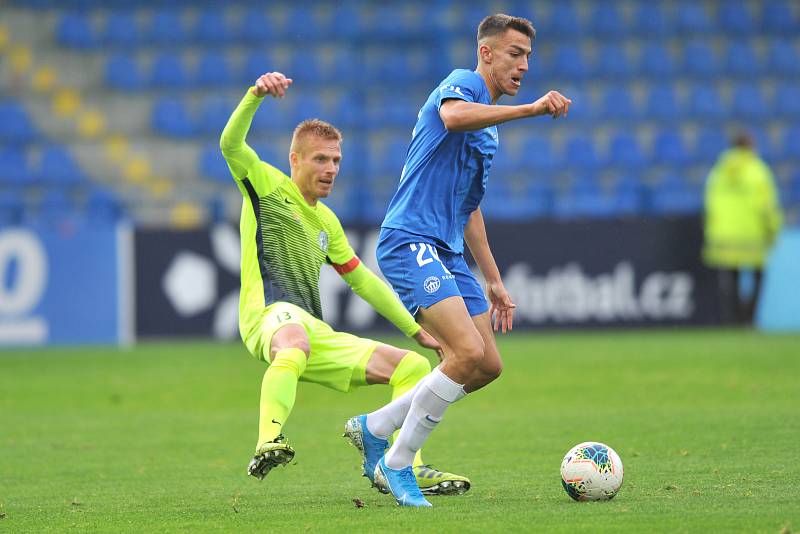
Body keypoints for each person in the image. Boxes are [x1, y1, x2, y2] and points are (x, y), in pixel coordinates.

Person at [344, 13, 572, 507]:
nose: (524, 66)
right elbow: (452, 116)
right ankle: (398, 464)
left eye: (529, 57)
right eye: (515, 54)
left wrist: (493, 280)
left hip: (446, 249)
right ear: (486, 53)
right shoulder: (462, 85)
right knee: (464, 354)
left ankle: (376, 427)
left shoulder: (488, 133)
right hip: (410, 239)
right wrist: (531, 109)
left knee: (486, 365)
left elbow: (469, 210)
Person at [219, 71, 470, 494]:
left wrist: (417, 330)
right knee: (294, 340)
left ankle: (403, 465)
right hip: (269, 316)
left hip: (312, 332)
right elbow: (230, 144)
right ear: (295, 159)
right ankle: (268, 440)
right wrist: (255, 95)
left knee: (412, 366)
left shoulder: (328, 222)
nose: (331, 168)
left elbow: (364, 283)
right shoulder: (264, 185)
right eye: (320, 159)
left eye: (336, 160)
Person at [703, 131, 783, 325]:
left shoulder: (718, 172)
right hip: (752, 235)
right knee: (757, 277)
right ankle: (749, 318)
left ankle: (732, 319)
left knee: (731, 278)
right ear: (750, 146)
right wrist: (773, 231)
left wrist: (710, 231)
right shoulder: (758, 171)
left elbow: (709, 205)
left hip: (724, 235)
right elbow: (767, 206)